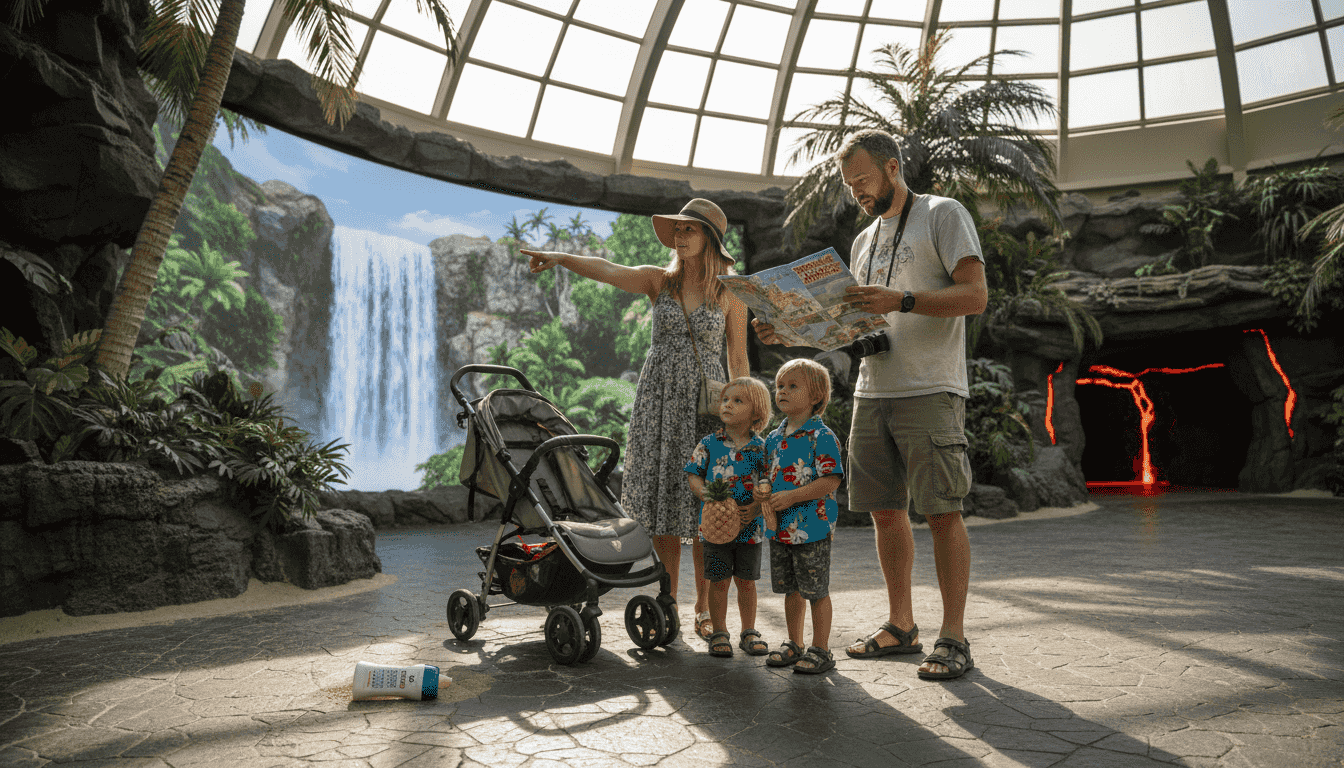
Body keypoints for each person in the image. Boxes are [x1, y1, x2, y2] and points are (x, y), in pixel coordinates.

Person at [753, 128, 987, 680]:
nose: (855, 189)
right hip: (871, 390)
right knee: (885, 512)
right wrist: (795, 335)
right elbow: (858, 326)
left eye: (861, 178)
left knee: (942, 511)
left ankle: (953, 636)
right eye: (847, 183)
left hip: (930, 387)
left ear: (891, 167)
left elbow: (975, 296)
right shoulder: (862, 242)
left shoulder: (942, 214)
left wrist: (901, 299)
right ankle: (901, 625)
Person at [524, 199, 749, 640]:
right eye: (678, 229)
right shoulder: (657, 281)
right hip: (659, 401)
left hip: (708, 403)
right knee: (667, 501)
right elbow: (607, 268)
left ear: (711, 239)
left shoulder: (731, 292)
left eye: (691, 230)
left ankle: (706, 606)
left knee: (709, 503)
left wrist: (744, 414)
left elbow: (737, 356)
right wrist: (560, 258)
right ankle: (669, 598)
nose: (681, 236)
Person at [755, 359, 844, 675]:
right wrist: (763, 491)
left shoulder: (821, 437)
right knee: (791, 588)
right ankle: (795, 643)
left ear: (816, 396)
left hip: (812, 528)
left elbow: (830, 479)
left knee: (816, 589)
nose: (783, 391)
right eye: (780, 385)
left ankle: (821, 648)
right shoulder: (773, 439)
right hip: (780, 530)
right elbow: (766, 475)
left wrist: (792, 496)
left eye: (793, 386)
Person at [684, 377, 773, 658]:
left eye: (738, 401)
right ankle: (720, 631)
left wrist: (758, 507)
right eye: (725, 400)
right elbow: (693, 474)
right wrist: (705, 494)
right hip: (714, 527)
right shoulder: (709, 443)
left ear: (756, 413)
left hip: (750, 528)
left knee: (747, 582)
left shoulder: (762, 448)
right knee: (718, 580)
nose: (728, 405)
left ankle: (749, 631)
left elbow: (769, 482)